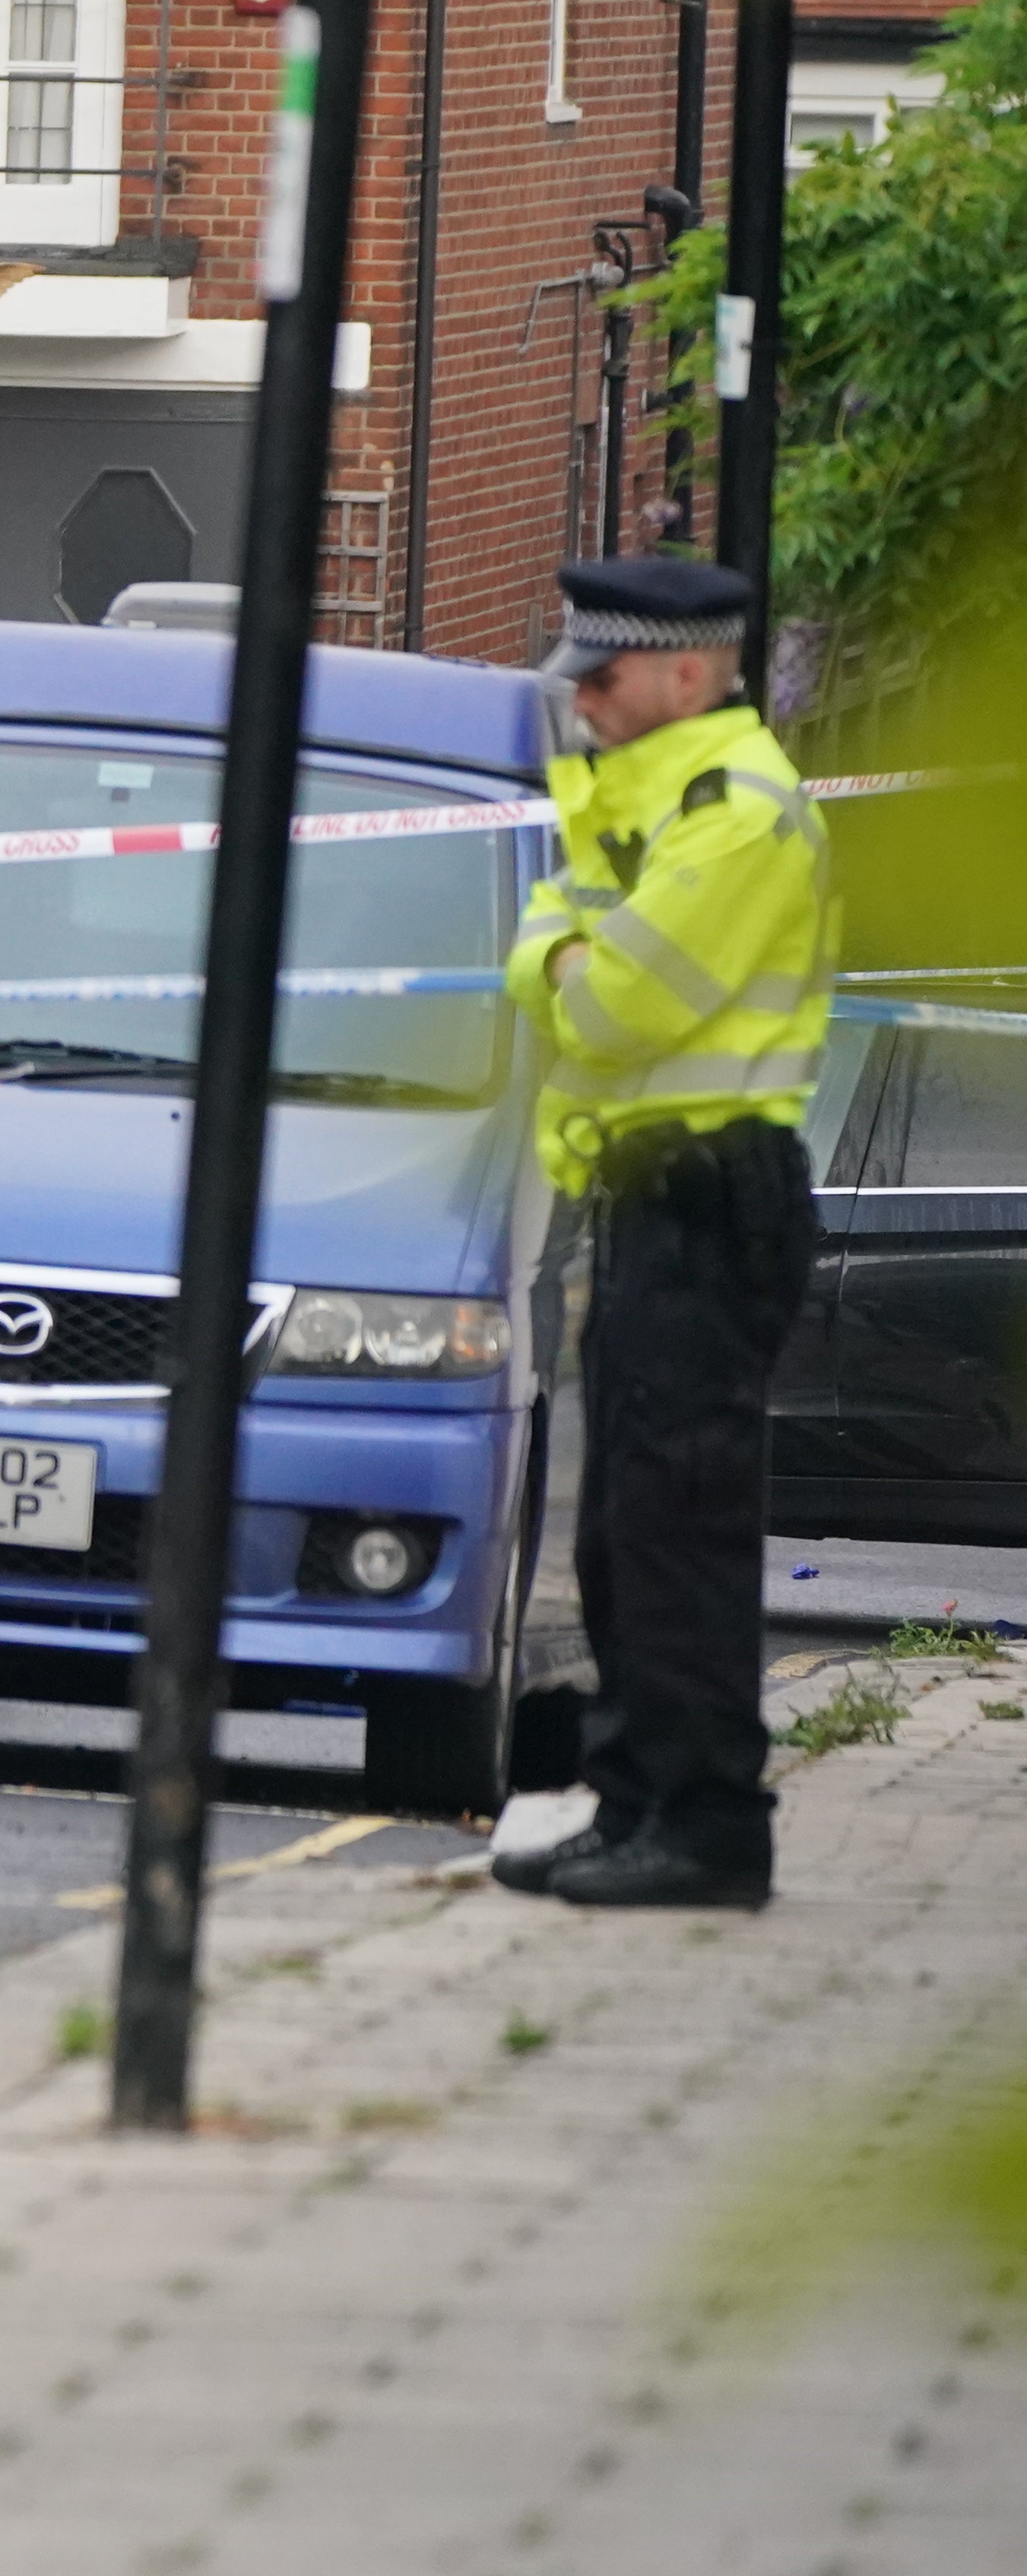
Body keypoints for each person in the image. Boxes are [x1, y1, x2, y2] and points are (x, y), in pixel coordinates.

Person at [488, 557, 836, 1909]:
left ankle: (704, 1826)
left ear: (689, 673)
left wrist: (566, 960)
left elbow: (608, 1004)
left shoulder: (736, 817)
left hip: (710, 1197)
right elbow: (556, 951)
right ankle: (638, 1801)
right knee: (623, 1533)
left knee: (679, 1528)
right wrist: (566, 953)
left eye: (606, 672)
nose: (582, 698)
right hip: (650, 1200)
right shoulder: (647, 818)